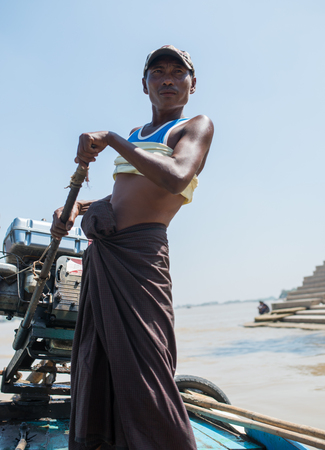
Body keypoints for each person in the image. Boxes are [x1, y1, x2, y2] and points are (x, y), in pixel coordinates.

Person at [51, 45, 214, 450]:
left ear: (193, 84)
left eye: (178, 72)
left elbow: (175, 178)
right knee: (98, 358)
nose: (168, 80)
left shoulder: (195, 126)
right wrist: (77, 208)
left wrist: (111, 139)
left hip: (141, 257)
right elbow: (124, 195)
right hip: (107, 256)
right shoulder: (141, 135)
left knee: (146, 365)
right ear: (144, 85)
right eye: (157, 72)